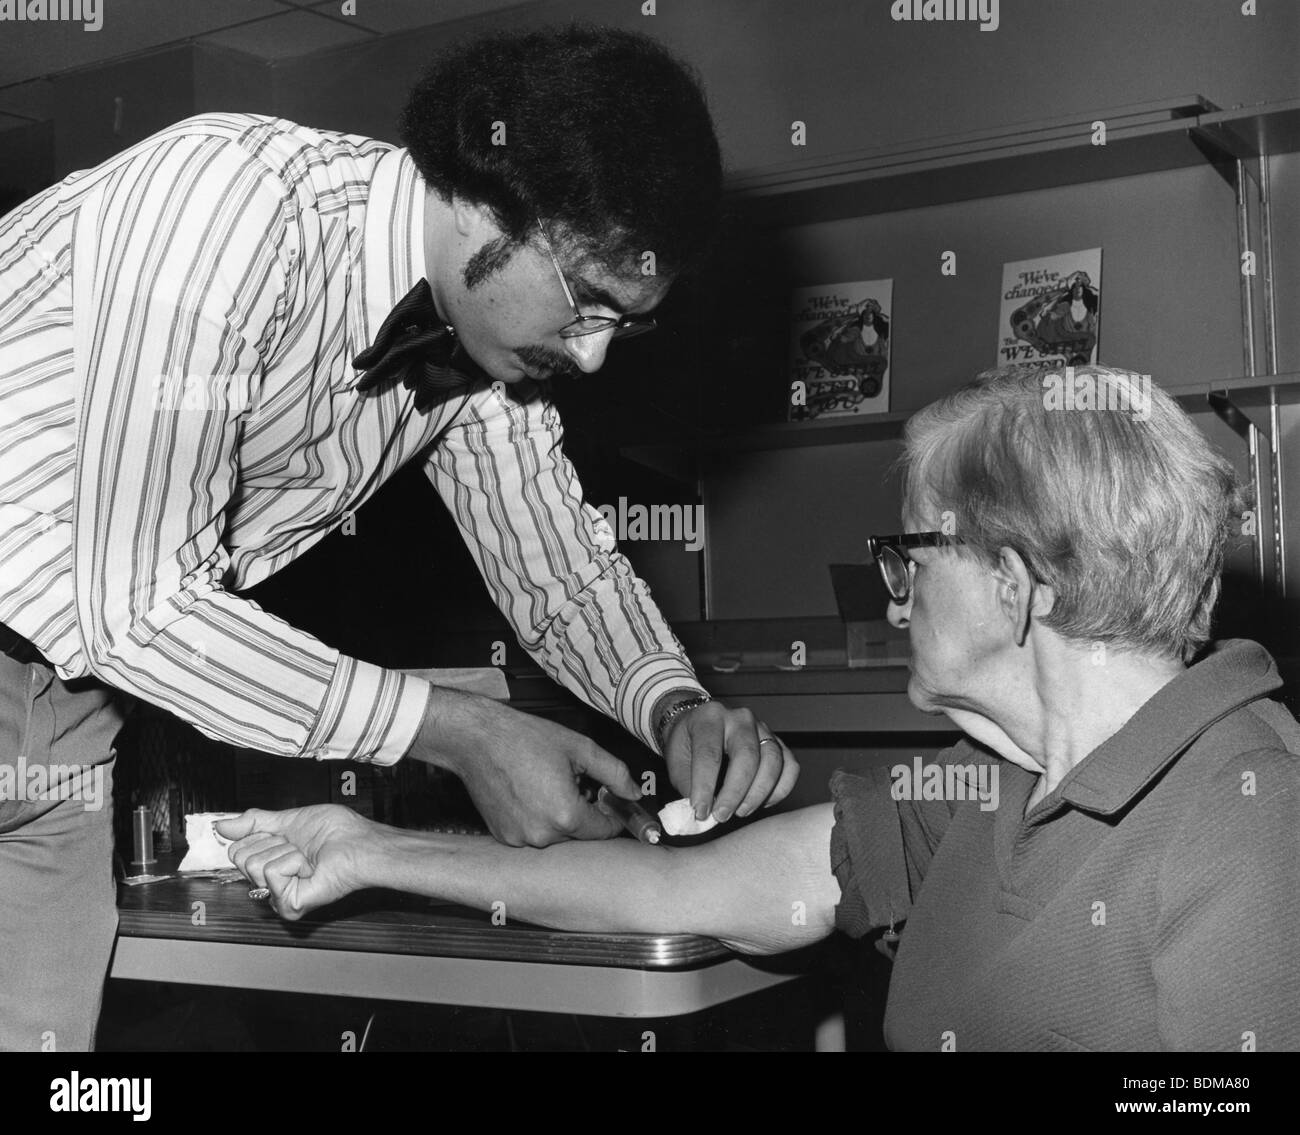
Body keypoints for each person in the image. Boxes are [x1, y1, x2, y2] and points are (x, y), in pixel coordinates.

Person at [0, 25, 798, 1051]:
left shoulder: (483, 349)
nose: (595, 357)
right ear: (483, 201)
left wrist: (670, 702)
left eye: (626, 325)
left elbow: (559, 571)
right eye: (590, 302)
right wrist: (457, 731)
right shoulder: (227, 209)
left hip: (66, 716)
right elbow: (138, 603)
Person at [226, 364, 1300, 1051]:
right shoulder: (992, 783)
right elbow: (670, 889)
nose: (892, 589)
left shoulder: (1250, 816)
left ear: (1013, 584)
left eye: (907, 550)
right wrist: (369, 850)